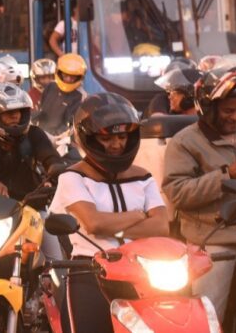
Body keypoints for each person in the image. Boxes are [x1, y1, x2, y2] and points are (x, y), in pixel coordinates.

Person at [50, 93, 168, 333]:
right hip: (89, 269)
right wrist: (139, 215)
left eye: (122, 136)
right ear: (89, 138)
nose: (117, 144)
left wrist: (114, 225)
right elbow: (94, 223)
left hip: (143, 269)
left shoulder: (143, 176)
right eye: (107, 138)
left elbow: (162, 226)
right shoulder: (72, 177)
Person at [0, 82, 65, 286]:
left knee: (56, 261)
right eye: (8, 113)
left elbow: (50, 156)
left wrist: (54, 169)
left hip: (31, 205)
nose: (15, 116)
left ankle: (61, 310)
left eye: (18, 111)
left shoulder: (34, 135)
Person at [162, 64, 236, 323]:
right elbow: (177, 192)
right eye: (229, 110)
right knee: (208, 317)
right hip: (214, 242)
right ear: (209, 108)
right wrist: (226, 175)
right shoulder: (185, 142)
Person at [33, 53, 87, 136]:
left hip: (62, 140)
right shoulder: (51, 87)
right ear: (59, 72)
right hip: (42, 134)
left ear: (79, 77)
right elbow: (42, 110)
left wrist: (57, 137)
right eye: (65, 75)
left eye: (73, 76)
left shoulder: (80, 96)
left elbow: (72, 124)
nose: (68, 79)